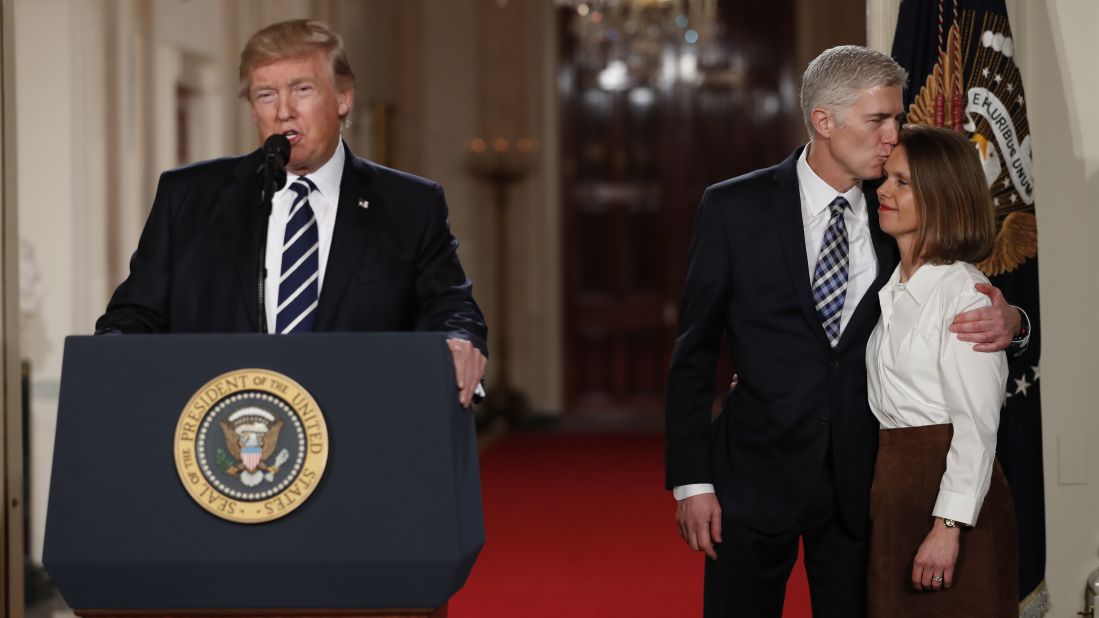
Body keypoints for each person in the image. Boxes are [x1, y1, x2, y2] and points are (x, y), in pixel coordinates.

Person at [664, 45, 1026, 617]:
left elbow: (955, 299)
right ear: (824, 121)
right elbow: (693, 354)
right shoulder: (733, 207)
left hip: (864, 490)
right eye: (879, 119)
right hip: (753, 478)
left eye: (898, 118)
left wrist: (1014, 322)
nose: (893, 135)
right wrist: (692, 483)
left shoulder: (901, 213)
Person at [95, 20, 487, 406]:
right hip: (224, 434)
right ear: (252, 109)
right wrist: (111, 355)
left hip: (360, 425)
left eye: (302, 89)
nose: (284, 111)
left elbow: (449, 304)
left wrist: (459, 339)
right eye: (265, 95)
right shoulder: (188, 197)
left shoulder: (409, 204)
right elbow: (137, 313)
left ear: (343, 98)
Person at [866, 124, 1017, 617]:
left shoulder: (963, 293)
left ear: (941, 197)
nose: (882, 190)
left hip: (949, 496)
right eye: (886, 178)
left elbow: (976, 426)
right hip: (895, 487)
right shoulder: (893, 287)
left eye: (901, 182)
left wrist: (948, 527)